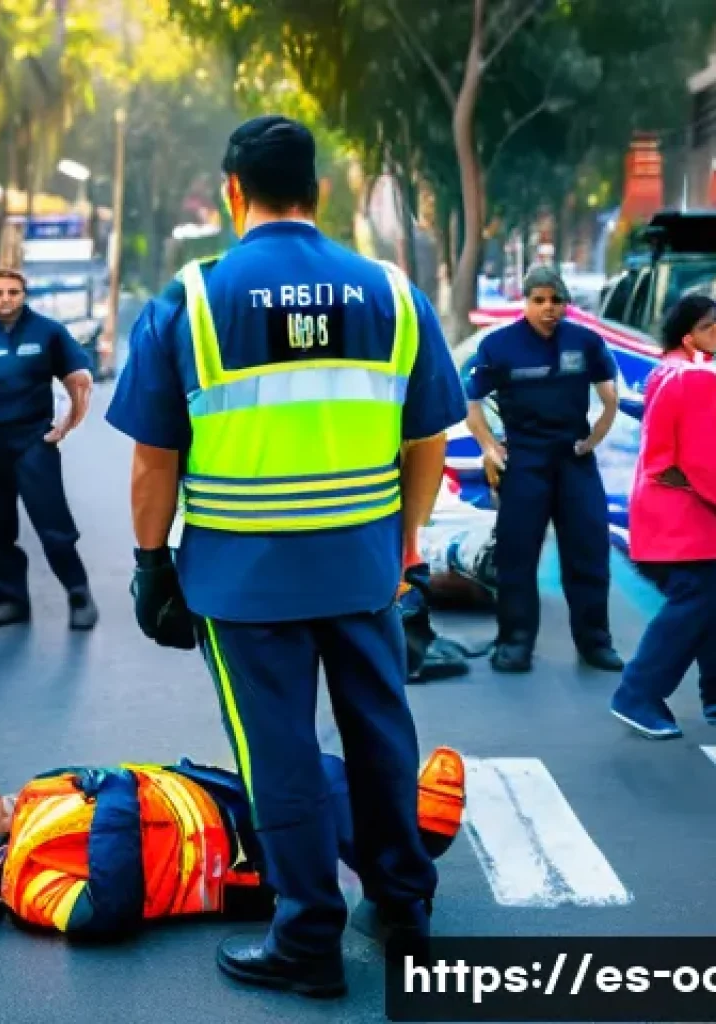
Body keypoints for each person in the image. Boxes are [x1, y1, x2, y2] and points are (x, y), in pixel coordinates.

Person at [104, 114, 468, 997]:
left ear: (234, 191)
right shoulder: (391, 294)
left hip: (243, 581)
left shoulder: (192, 300)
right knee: (381, 735)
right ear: (319, 190)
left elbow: (155, 459)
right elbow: (428, 437)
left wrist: (152, 564)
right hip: (364, 569)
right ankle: (404, 903)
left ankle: (307, 938)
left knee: (281, 755)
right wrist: (407, 543)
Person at [0, 747, 466, 982]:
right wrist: (117, 799)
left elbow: (111, 780)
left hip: (207, 798)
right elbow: (105, 911)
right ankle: (413, 837)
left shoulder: (35, 792)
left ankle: (403, 832)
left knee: (311, 773)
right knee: (309, 799)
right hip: (227, 862)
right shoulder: (29, 886)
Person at [464, 267, 623, 674]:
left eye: (556, 300)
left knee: (588, 552)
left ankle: (595, 643)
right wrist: (489, 447)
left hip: (574, 461)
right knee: (516, 555)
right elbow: (471, 402)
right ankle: (515, 643)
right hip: (524, 461)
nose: (548, 308)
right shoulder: (499, 345)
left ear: (566, 304)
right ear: (526, 302)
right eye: (539, 300)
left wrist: (595, 438)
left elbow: (610, 397)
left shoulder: (585, 342)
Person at [0, 268, 99, 630]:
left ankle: (79, 595)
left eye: (13, 292)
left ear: (24, 295)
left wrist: (67, 424)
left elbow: (80, 380)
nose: (5, 299)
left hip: (34, 441)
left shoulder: (48, 332)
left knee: (53, 526)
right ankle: (9, 601)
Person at [611, 295, 716, 739]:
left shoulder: (669, 371)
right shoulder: (695, 378)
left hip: (667, 516)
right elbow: (703, 459)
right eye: (711, 326)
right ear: (689, 336)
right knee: (696, 601)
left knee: (706, 602)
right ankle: (637, 693)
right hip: (686, 522)